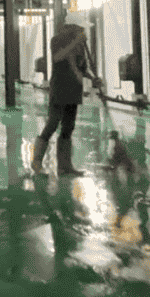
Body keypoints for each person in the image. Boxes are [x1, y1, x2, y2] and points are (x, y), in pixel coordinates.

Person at [30, 12, 102, 176]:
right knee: (53, 123)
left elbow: (82, 67)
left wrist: (93, 78)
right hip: (60, 88)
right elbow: (57, 57)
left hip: (74, 89)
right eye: (81, 28)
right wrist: (76, 42)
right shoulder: (57, 40)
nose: (83, 31)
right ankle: (36, 162)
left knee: (69, 126)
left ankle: (64, 166)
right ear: (72, 27)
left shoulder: (80, 45)